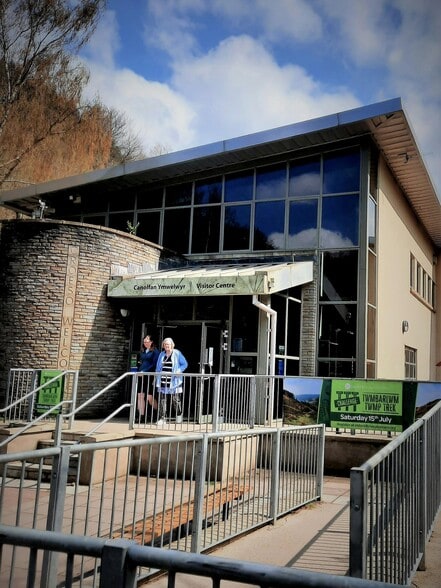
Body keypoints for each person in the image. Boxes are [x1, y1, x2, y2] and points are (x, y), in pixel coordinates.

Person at [155, 337, 188, 424]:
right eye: (165, 344)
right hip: (163, 380)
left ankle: (179, 416)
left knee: (175, 399)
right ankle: (162, 418)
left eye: (168, 344)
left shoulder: (177, 353)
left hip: (174, 381)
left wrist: (179, 371)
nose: (167, 346)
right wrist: (157, 376)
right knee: (162, 400)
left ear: (172, 345)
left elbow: (184, 364)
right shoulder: (161, 354)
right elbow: (158, 366)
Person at [137, 335, 159, 417]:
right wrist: (138, 371)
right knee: (140, 395)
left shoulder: (155, 351)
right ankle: (141, 416)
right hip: (141, 376)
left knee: (150, 397)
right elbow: (140, 362)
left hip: (149, 376)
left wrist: (144, 371)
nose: (145, 343)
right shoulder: (143, 351)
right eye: (144, 342)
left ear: (151, 342)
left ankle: (159, 413)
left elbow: (154, 364)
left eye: (147, 341)